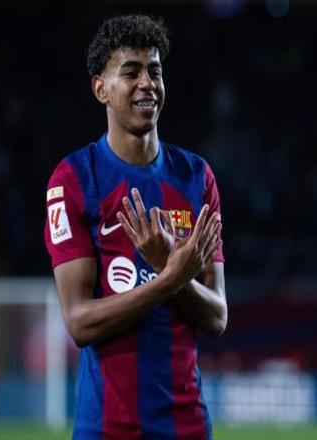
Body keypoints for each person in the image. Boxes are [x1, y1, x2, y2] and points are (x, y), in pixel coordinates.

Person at [44, 14, 226, 440]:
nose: (147, 83)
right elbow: (79, 322)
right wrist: (170, 278)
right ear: (101, 89)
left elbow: (217, 316)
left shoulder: (196, 177)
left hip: (187, 426)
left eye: (155, 71)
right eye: (131, 72)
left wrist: (169, 271)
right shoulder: (74, 180)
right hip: (107, 428)